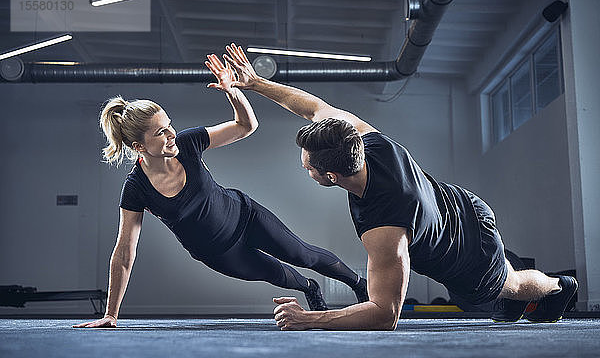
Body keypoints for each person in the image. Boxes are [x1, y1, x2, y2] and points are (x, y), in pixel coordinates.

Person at [220, 43, 578, 331]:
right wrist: (256, 84)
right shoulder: (367, 143)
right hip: (462, 204)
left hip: (466, 255)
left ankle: (558, 287)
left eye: (307, 168)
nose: (305, 170)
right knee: (491, 296)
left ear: (331, 177)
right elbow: (313, 108)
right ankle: (505, 281)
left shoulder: (385, 228)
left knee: (502, 289)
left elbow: (385, 314)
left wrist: (308, 320)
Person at [73, 55, 367, 328]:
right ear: (139, 147)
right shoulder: (136, 189)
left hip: (246, 216)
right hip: (220, 252)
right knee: (279, 275)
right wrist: (111, 314)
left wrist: (232, 91)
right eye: (160, 132)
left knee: (303, 254)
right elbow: (125, 251)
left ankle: (359, 285)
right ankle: (310, 288)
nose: (172, 133)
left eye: (169, 125)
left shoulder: (187, 144)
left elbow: (245, 126)